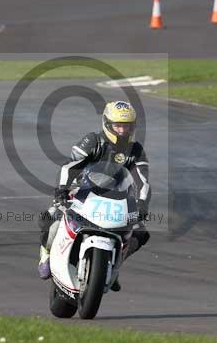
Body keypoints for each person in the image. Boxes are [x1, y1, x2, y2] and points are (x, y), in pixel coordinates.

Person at [37, 101, 151, 289]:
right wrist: (62, 189)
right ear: (107, 124)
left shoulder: (136, 150)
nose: (122, 131)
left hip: (118, 198)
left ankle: (113, 265)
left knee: (141, 232)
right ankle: (46, 253)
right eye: (118, 126)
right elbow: (71, 165)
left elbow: (142, 180)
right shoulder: (93, 141)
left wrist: (142, 204)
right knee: (50, 218)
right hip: (82, 191)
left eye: (127, 126)